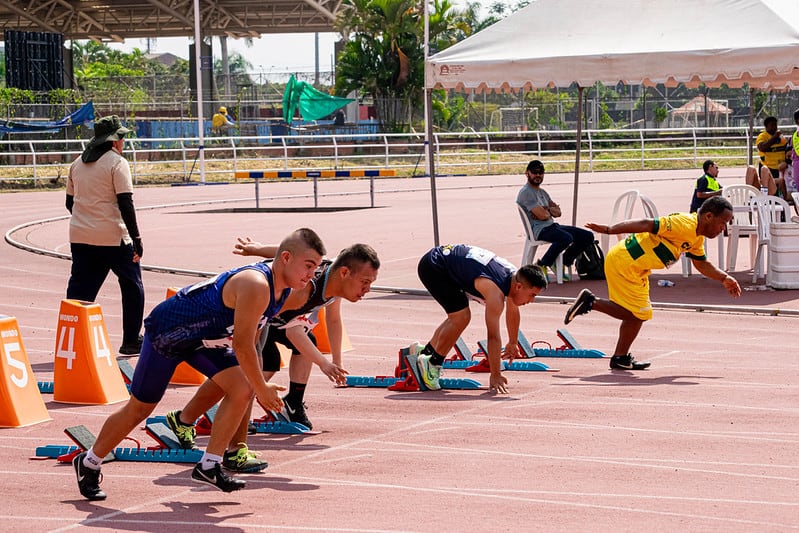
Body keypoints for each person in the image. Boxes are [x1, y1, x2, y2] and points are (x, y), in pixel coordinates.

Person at [72, 228, 325, 500]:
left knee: (241, 387)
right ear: (286, 258)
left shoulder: (283, 290)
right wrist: (261, 387)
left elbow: (250, 340)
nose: (311, 275)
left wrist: (255, 384)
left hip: (204, 339)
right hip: (168, 334)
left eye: (316, 269)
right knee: (140, 408)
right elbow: (242, 345)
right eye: (308, 267)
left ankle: (209, 465)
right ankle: (88, 462)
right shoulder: (257, 284)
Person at [164, 240, 380, 455]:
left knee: (240, 377)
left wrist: (336, 362)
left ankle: (183, 420)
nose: (367, 289)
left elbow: (331, 319)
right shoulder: (305, 288)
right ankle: (235, 448)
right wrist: (322, 363)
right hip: (243, 312)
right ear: (345, 272)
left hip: (267, 318)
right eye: (365, 282)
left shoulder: (333, 281)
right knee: (247, 375)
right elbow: (291, 330)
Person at [563, 196, 741, 370]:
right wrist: (610, 229)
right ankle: (591, 303)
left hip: (636, 268)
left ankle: (620, 357)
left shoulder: (696, 237)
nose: (723, 229)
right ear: (708, 216)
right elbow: (646, 223)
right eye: (723, 223)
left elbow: (701, 263)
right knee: (638, 313)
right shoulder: (684, 223)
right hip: (626, 262)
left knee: (639, 311)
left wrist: (724, 278)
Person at [412, 244, 548, 394]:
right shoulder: (495, 294)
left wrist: (513, 341)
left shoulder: (515, 277)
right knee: (461, 316)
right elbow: (493, 337)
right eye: (532, 295)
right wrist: (495, 374)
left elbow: (513, 309)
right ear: (519, 287)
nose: (532, 300)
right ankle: (432, 363)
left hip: (445, 261)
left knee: (458, 314)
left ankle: (425, 352)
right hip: (434, 266)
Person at [65, 115, 145, 356]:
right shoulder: (117, 163)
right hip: (113, 237)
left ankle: (73, 342)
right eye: (122, 138)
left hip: (80, 236)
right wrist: (137, 240)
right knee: (132, 286)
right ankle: (131, 340)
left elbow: (69, 202)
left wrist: (87, 220)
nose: (123, 142)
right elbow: (125, 203)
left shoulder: (77, 163)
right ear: (114, 141)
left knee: (80, 291)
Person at [516, 159, 594, 280]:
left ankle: (563, 262)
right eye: (534, 172)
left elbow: (558, 212)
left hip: (552, 226)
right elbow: (543, 216)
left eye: (541, 172)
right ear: (527, 173)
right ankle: (542, 264)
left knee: (587, 236)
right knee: (566, 238)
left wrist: (546, 209)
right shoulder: (526, 192)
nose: (538, 175)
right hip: (539, 230)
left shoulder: (542, 192)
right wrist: (548, 211)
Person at [754, 116, 789, 198]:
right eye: (772, 125)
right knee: (771, 192)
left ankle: (782, 208)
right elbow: (762, 147)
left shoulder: (781, 137)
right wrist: (774, 137)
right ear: (766, 127)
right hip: (768, 168)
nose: (775, 127)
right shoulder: (763, 136)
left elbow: (786, 148)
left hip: (780, 169)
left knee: (780, 192)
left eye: (776, 125)